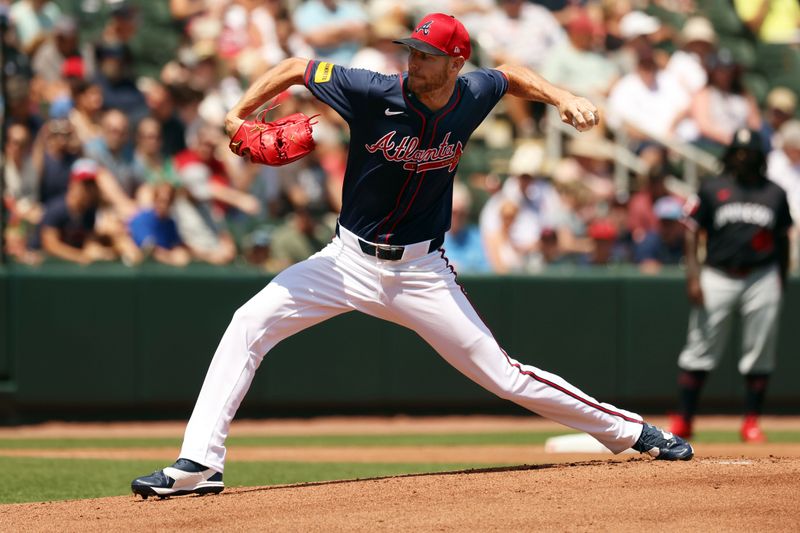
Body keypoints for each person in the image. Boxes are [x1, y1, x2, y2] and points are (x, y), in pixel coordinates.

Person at [131, 12, 693, 499]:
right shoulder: (374, 90)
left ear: (454, 63)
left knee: (505, 376)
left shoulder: (472, 94)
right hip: (344, 261)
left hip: (422, 271)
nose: (413, 61)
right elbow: (293, 68)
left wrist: (563, 96)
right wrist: (237, 114)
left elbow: (510, 77)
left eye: (426, 55)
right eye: (411, 50)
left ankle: (635, 433)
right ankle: (200, 464)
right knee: (248, 322)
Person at [669, 128, 792, 443]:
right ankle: (684, 419)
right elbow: (691, 231)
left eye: (748, 152)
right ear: (729, 155)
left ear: (759, 157)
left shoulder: (775, 193)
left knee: (759, 351)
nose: (743, 157)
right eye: (738, 151)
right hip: (719, 274)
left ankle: (751, 421)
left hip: (761, 275)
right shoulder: (713, 187)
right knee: (700, 349)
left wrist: (780, 277)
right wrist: (693, 277)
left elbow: (783, 239)